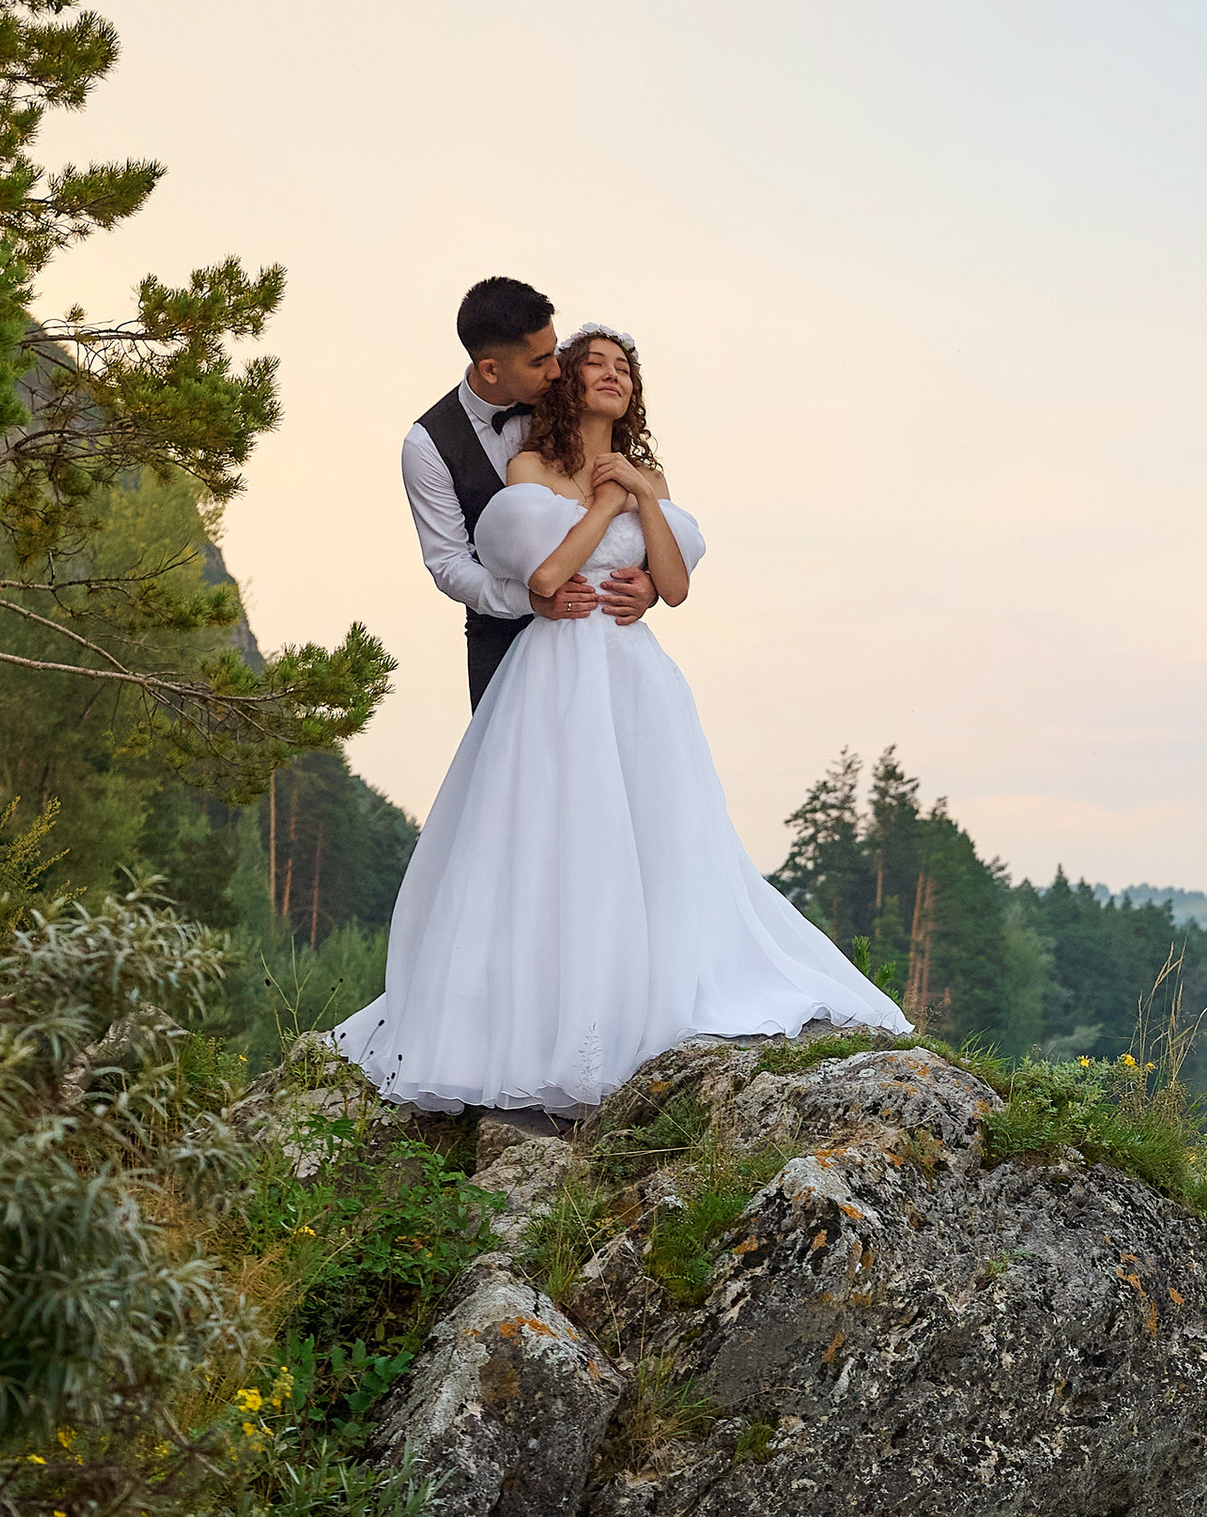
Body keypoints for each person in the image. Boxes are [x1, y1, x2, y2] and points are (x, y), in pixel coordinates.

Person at [338, 321, 910, 1115]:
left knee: (655, 835)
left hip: (634, 676)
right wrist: (605, 505)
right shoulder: (531, 466)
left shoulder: (650, 474)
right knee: (559, 836)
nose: (612, 375)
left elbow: (672, 586)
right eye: (595, 364)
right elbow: (547, 575)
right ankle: (542, 1015)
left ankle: (651, 993)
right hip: (556, 669)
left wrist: (639, 493)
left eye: (624, 368)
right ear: (567, 381)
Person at [403, 276, 658, 709]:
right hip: (501, 641)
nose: (556, 371)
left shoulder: (570, 394)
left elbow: (628, 489)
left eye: (554, 352)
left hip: (603, 638)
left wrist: (648, 582)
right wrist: (531, 600)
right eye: (540, 362)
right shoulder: (427, 446)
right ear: (490, 369)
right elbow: (449, 564)